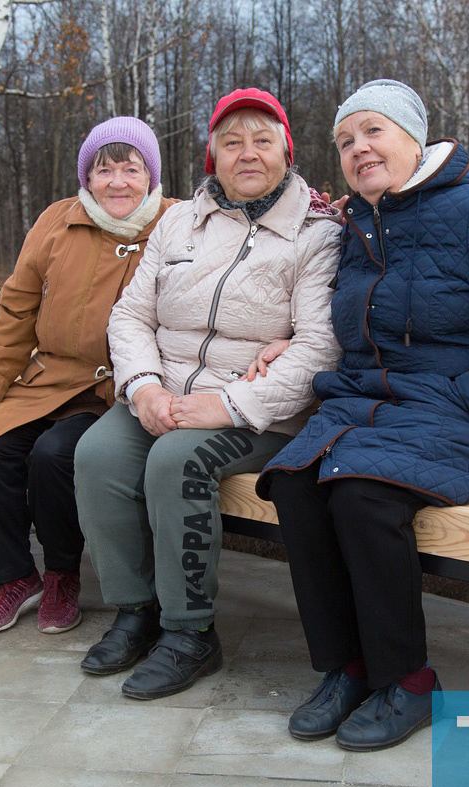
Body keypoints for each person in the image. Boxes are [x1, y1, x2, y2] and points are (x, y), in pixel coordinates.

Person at [257, 79, 469, 751]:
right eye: (345, 140)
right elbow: (357, 321)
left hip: (468, 419)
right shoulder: (358, 226)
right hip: (377, 410)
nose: (358, 147)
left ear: (415, 138)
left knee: (360, 493)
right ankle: (348, 667)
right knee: (292, 478)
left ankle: (407, 679)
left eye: (373, 131)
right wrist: (294, 343)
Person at [73, 87, 341, 700]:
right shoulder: (177, 220)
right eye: (231, 142)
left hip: (256, 409)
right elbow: (131, 315)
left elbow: (319, 345)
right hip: (164, 393)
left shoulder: (316, 233)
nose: (247, 154)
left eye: (262, 140)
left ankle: (190, 633)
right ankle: (136, 610)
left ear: (286, 152)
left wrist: (227, 405)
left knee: (175, 462)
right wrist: (141, 388)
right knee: (98, 455)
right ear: (211, 157)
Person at [0, 117, 174, 636]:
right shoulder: (57, 219)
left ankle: (60, 574)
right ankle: (12, 577)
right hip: (48, 379)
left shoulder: (178, 220)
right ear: (87, 175)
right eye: (104, 170)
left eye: (131, 168)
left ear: (151, 174)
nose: (118, 182)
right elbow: (16, 313)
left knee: (55, 454)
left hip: (117, 391)